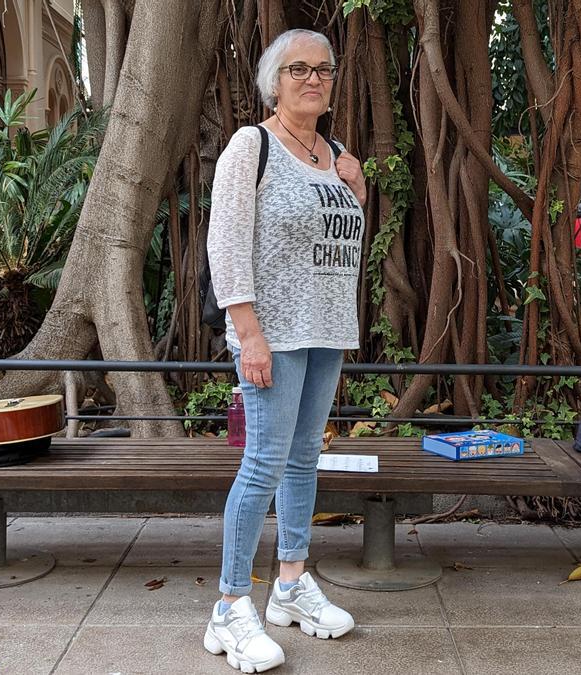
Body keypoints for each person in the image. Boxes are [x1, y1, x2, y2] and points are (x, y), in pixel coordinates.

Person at [204, 28, 366, 672]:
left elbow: (339, 241)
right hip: (271, 330)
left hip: (326, 328)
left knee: (304, 459)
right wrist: (248, 332)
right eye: (298, 69)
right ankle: (229, 608)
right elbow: (225, 242)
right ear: (274, 81)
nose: (313, 79)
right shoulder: (253, 146)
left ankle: (291, 585)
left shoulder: (336, 152)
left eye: (324, 70)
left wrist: (353, 187)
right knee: (263, 464)